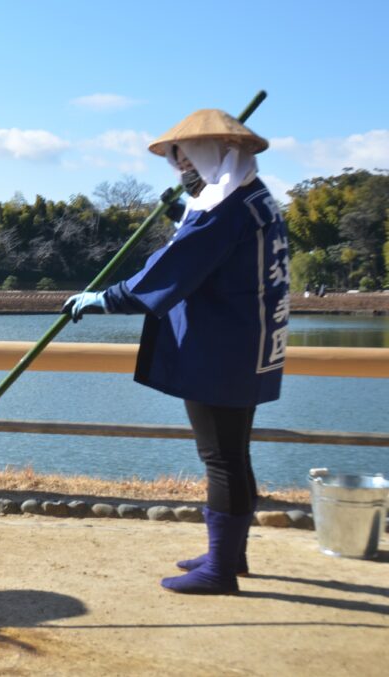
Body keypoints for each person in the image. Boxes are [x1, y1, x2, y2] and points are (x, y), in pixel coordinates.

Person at [62, 109, 290, 595]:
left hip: (222, 347)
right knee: (232, 453)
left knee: (221, 457)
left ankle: (221, 571)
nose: (178, 169)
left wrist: (108, 297)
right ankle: (230, 554)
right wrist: (180, 215)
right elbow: (202, 247)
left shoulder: (227, 210)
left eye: (183, 158)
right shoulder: (254, 199)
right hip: (244, 343)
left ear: (209, 154)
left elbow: (177, 264)